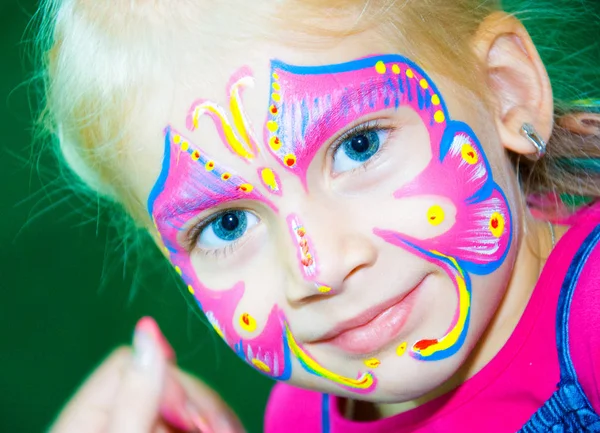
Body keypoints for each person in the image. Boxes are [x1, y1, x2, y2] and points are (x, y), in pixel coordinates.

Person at [37, 0, 600, 431]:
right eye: (226, 223)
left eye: (359, 146)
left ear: (506, 90)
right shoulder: (298, 416)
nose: (317, 267)